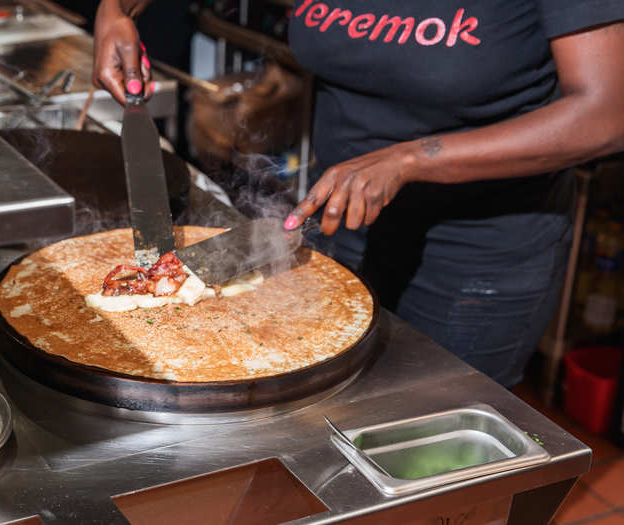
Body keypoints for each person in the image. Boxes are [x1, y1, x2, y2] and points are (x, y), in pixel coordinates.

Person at [93, 0, 624, 388]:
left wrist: (410, 158)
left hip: (475, 263)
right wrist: (117, 9)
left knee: (432, 461)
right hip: (337, 228)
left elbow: (606, 115)